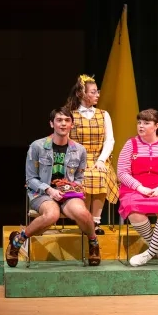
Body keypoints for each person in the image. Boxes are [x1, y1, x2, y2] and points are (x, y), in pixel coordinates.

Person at [6, 107, 101, 267]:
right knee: (52, 215)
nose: (63, 124)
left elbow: (78, 178)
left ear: (72, 124)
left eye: (67, 120)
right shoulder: (37, 146)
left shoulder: (79, 150)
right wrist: (49, 189)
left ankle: (93, 243)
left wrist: (73, 187)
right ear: (52, 124)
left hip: (68, 193)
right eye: (59, 120)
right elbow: (30, 179)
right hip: (42, 192)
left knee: (83, 213)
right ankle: (17, 241)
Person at [117, 109, 158, 267]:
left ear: (156, 126)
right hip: (135, 188)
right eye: (139, 122)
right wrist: (140, 188)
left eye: (146, 123)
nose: (141, 126)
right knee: (133, 208)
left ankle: (148, 254)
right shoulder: (130, 145)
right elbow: (122, 173)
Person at [65, 74, 118, 235]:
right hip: (76, 158)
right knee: (84, 177)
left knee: (99, 175)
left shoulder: (103, 114)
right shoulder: (71, 115)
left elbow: (110, 140)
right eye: (93, 92)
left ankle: (95, 222)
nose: (97, 95)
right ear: (81, 93)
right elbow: (66, 140)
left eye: (97, 92)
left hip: (98, 158)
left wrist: (102, 160)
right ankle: (84, 219)